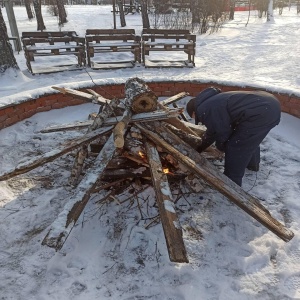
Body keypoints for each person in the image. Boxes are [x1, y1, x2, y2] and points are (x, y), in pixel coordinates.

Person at [186, 87, 281, 186]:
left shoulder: (204, 109)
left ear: (193, 112)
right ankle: (253, 165)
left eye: (192, 116)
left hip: (260, 112)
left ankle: (231, 183)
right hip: (268, 104)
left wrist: (221, 147)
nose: (196, 119)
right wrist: (200, 147)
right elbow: (213, 131)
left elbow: (222, 132)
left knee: (236, 146)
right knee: (250, 140)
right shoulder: (212, 102)